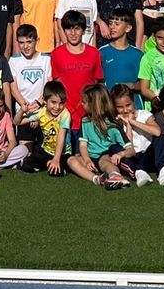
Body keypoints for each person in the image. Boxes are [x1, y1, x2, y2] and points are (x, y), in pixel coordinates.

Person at [48, 14, 102, 159]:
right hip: (66, 117)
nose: (73, 33)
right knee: (69, 158)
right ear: (64, 31)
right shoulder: (56, 54)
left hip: (89, 117)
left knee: (89, 157)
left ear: (84, 30)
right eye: (68, 29)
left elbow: (99, 84)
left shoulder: (94, 53)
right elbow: (55, 85)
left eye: (77, 29)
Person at [77, 84, 131, 188]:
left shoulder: (112, 124)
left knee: (104, 161)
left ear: (94, 104)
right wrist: (87, 160)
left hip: (105, 156)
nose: (81, 104)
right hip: (90, 158)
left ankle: (116, 176)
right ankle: (97, 179)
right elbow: (83, 145)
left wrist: (120, 154)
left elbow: (129, 148)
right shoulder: (84, 121)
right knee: (71, 160)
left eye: (84, 102)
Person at [98, 11, 142, 98]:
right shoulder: (102, 52)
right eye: (110, 23)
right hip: (110, 103)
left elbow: (145, 84)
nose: (112, 27)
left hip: (133, 104)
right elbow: (99, 82)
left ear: (128, 28)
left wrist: (131, 86)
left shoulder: (138, 54)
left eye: (117, 24)